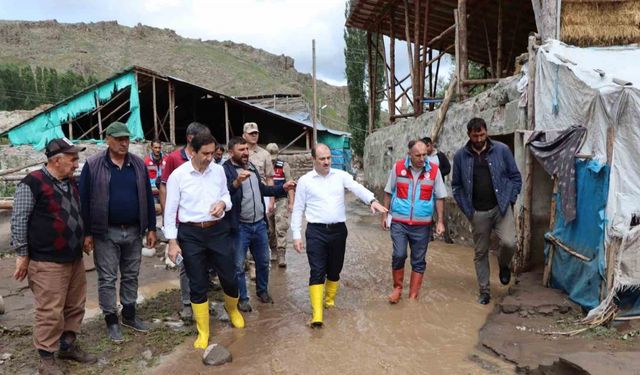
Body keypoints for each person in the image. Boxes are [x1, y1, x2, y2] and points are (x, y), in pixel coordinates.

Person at [11, 138, 96, 375]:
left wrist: (85, 236)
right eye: (73, 159)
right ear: (57, 160)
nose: (77, 164)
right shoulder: (32, 183)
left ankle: (67, 346)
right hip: (47, 261)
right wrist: (22, 254)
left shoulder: (69, 182)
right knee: (50, 310)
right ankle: (46, 358)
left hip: (73, 258)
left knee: (75, 305)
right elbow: (19, 220)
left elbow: (78, 213)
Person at [164, 131, 245, 363]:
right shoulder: (178, 176)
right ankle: (204, 331)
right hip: (190, 233)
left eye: (213, 153)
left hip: (217, 230)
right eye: (206, 153)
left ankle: (233, 310)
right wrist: (172, 241)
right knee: (197, 282)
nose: (211, 157)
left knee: (229, 276)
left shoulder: (218, 171)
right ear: (193, 151)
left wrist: (222, 203)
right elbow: (170, 211)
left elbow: (226, 197)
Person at [291, 143, 387, 328]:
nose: (327, 162)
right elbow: (298, 209)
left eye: (328, 158)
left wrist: (372, 200)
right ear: (313, 160)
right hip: (316, 231)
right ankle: (317, 314)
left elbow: (357, 188)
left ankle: (329, 300)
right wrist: (296, 235)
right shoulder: (305, 180)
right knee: (317, 271)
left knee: (334, 270)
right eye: (322, 159)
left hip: (338, 231)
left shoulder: (340, 176)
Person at [80, 121, 157, 342]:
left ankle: (130, 315)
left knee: (131, 274)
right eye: (119, 139)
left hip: (134, 230)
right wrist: (87, 233)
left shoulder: (138, 165)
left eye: (127, 139)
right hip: (105, 232)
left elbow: (148, 197)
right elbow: (84, 201)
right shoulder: (93, 165)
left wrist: (151, 227)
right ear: (108, 140)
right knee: (107, 277)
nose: (124, 143)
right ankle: (111, 321)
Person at [451, 117, 522, 305]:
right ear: (469, 135)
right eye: (475, 136)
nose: (479, 139)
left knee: (509, 242)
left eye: (482, 134)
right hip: (477, 212)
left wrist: (511, 198)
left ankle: (503, 265)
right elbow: (456, 186)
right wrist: (468, 211)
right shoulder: (460, 156)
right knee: (480, 253)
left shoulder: (502, 150)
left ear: (486, 132)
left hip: (501, 207)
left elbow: (515, 177)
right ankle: (484, 291)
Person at [223, 137, 295, 313]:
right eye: (241, 150)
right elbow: (223, 193)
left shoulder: (252, 168)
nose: (246, 153)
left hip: (259, 224)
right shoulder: (225, 170)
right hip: (240, 226)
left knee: (263, 262)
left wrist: (282, 188)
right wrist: (237, 182)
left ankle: (262, 291)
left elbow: (263, 190)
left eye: (246, 149)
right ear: (231, 152)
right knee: (239, 265)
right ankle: (243, 299)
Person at [382, 140, 446, 304]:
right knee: (399, 254)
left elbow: (439, 197)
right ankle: (397, 288)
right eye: (418, 155)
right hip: (399, 222)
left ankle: (413, 296)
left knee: (418, 260)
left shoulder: (434, 171)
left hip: (422, 225)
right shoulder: (398, 168)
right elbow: (388, 192)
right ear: (409, 154)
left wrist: (440, 222)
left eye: (425, 154)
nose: (422, 158)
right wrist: (385, 216)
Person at [159, 122, 211, 321]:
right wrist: (168, 218)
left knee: (203, 261)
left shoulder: (208, 160)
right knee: (186, 263)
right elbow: (164, 187)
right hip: (182, 221)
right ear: (191, 139)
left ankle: (202, 298)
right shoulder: (174, 158)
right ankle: (188, 303)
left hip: (203, 220)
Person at [242, 122, 275, 275]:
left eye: (256, 133)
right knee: (246, 229)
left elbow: (269, 178)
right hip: (245, 197)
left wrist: (271, 200)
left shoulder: (264, 154)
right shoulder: (240, 152)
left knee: (262, 230)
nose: (254, 135)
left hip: (262, 196)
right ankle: (249, 264)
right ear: (244, 135)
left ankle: (259, 262)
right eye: (251, 133)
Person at [265, 143, 295, 267]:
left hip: (281, 199)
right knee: (270, 229)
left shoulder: (284, 166)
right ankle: (273, 251)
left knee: (281, 226)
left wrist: (291, 203)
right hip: (267, 200)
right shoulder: (262, 167)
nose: (272, 161)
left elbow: (290, 184)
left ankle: (281, 254)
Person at [422, 136, 454, 244]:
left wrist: (437, 173)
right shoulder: (423, 157)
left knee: (441, 212)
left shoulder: (440, 156)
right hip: (426, 189)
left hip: (438, 188)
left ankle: (447, 236)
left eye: (428, 146)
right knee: (428, 212)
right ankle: (429, 235)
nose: (426, 149)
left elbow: (448, 168)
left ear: (431, 145)